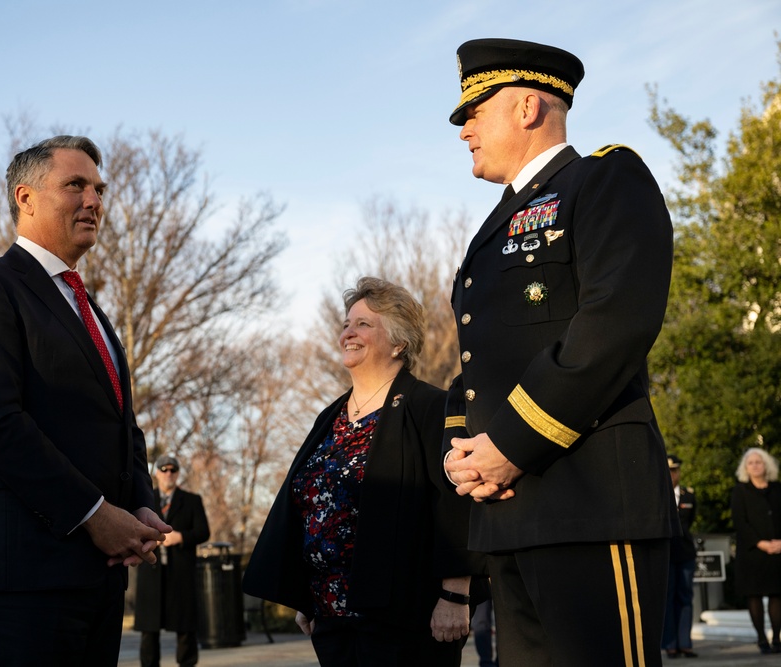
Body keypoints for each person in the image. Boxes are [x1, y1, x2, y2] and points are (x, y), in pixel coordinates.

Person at [441, 38, 678, 666]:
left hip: (591, 503)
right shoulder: (493, 227)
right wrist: (463, 454)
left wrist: (508, 445)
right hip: (510, 514)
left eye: (473, 111)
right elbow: (480, 363)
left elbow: (616, 323)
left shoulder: (603, 179)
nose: (462, 128)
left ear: (526, 107)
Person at [0, 135, 170, 665]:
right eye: (76, 185)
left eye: (99, 188)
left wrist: (139, 503)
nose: (94, 201)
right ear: (26, 198)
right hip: (22, 577)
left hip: (97, 578)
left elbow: (121, 424)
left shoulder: (93, 313)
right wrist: (93, 514)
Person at [243, 277, 483, 667]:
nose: (348, 333)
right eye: (345, 324)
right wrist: (304, 593)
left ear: (399, 342)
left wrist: (456, 595)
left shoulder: (430, 406)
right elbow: (304, 504)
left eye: (364, 324)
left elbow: (457, 505)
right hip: (331, 615)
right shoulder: (330, 417)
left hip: (404, 619)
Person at [134, 454, 210, 667]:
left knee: (185, 627)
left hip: (181, 573)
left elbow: (203, 531)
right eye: (164, 469)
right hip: (151, 571)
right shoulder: (144, 500)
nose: (169, 473)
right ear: (156, 473)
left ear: (177, 474)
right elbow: (132, 529)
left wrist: (181, 537)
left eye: (173, 470)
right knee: (149, 629)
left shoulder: (192, 500)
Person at [731, 447, 781, 654]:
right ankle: (761, 639)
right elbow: (740, 522)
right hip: (752, 553)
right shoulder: (739, 491)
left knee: (777, 594)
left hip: (778, 551)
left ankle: (777, 639)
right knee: (754, 596)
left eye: (758, 462)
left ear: (766, 464)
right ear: (745, 468)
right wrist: (761, 543)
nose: (754, 465)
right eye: (750, 463)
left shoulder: (778, 488)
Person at [663, 455, 698, 659]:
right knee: (667, 598)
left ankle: (685, 643)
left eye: (674, 470)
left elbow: (689, 522)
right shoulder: (656, 494)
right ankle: (670, 644)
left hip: (685, 553)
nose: (671, 474)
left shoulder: (689, 496)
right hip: (666, 554)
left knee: (685, 597)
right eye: (668, 471)